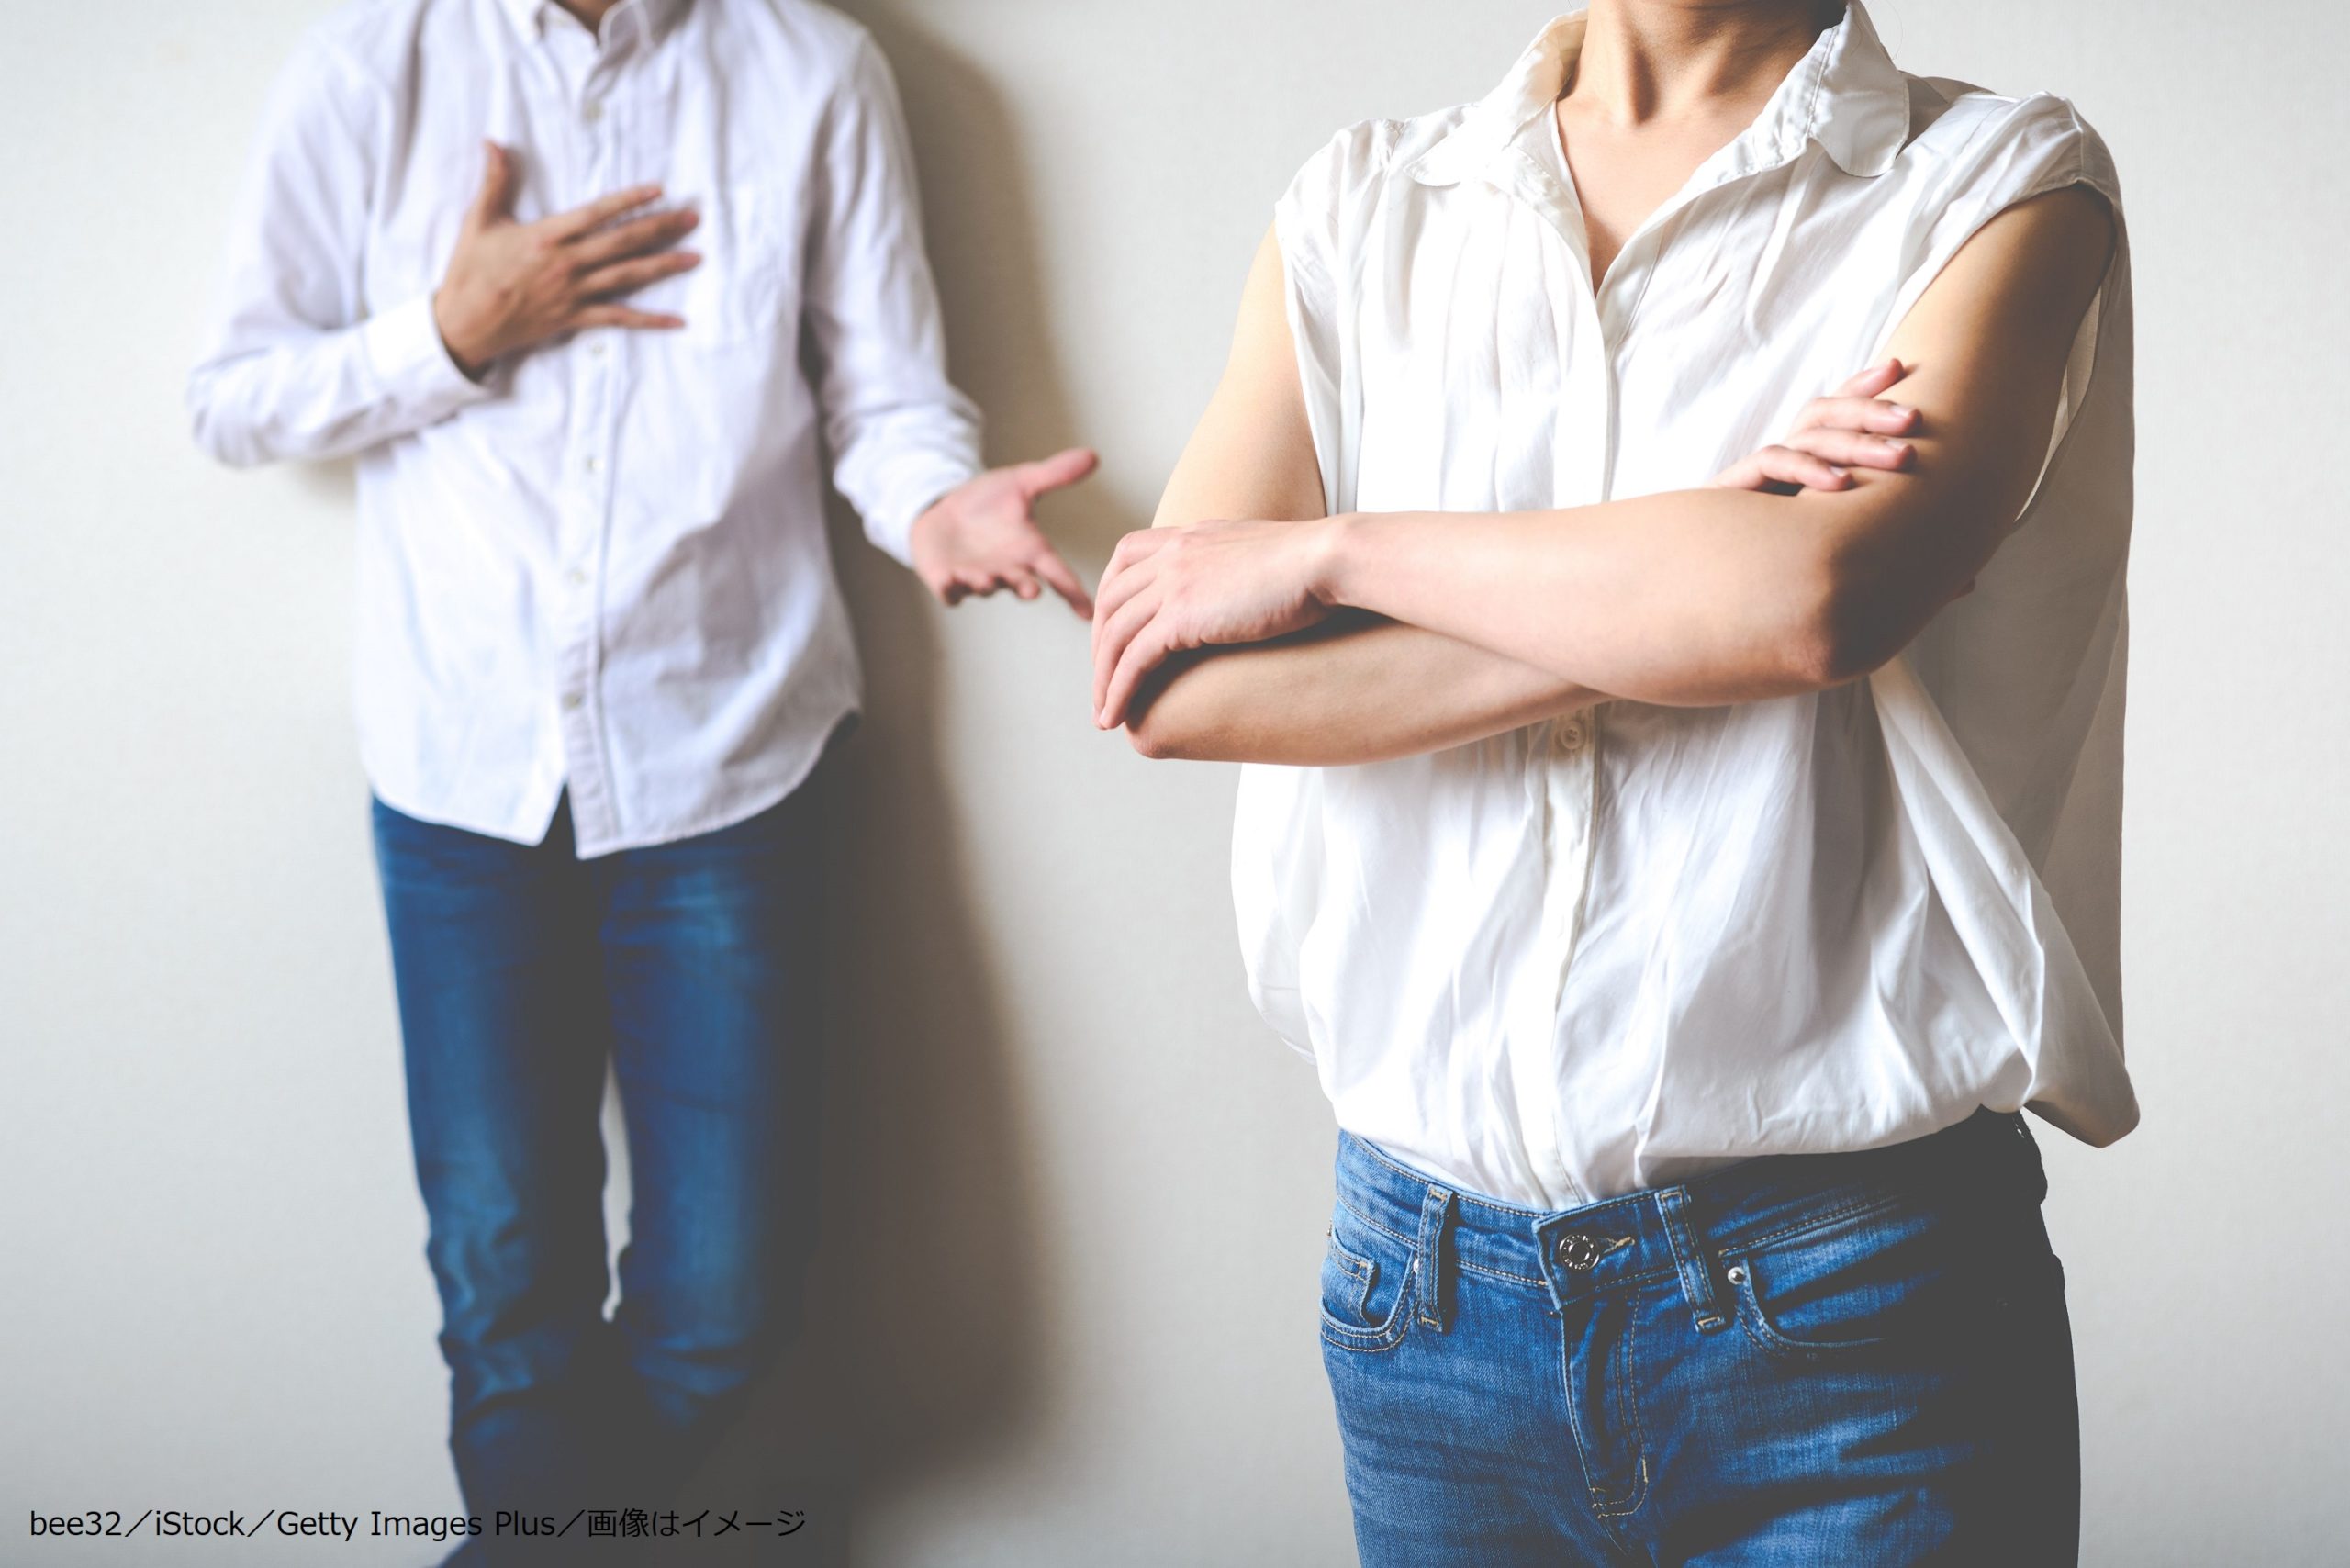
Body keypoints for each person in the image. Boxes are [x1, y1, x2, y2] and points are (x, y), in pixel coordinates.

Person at [1094, 0, 2132, 1562]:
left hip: (1852, 1298)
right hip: (1420, 1296)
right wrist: (1690, 554)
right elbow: (1175, 683)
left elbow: (1810, 604)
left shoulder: (1995, 182)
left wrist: (1338, 554)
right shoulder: (1364, 204)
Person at [186, 0, 1091, 1552]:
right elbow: (232, 398)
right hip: (460, 773)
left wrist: (936, 508)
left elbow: (885, 404)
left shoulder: (814, 71)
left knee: (728, 1300)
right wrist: (450, 333)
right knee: (504, 1298)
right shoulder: (371, 66)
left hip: (731, 762)